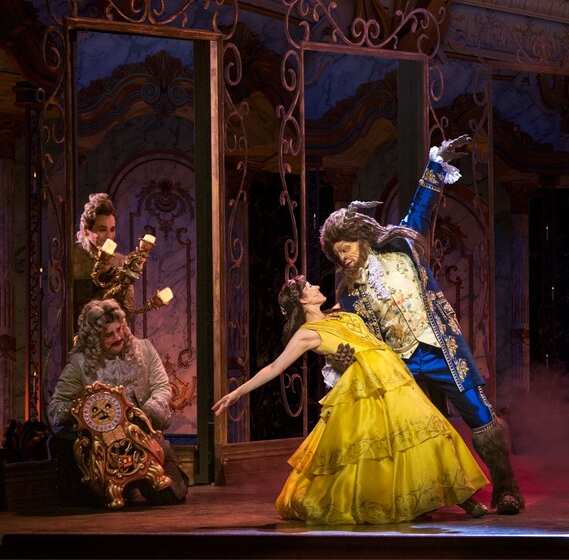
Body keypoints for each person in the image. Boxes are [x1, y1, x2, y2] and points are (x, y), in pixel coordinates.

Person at [319, 135, 525, 515]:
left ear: (360, 239)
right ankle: (423, 497)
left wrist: (437, 163)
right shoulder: (349, 295)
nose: (342, 258)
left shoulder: (402, 246)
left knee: (481, 416)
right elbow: (355, 336)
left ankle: (506, 488)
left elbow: (422, 207)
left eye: (344, 248)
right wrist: (341, 357)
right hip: (402, 365)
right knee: (417, 431)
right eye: (336, 255)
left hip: (440, 349)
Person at [212, 275, 489, 525]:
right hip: (364, 390)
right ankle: (418, 501)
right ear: (303, 299)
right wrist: (237, 392)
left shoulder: (340, 315)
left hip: (394, 380)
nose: (317, 286)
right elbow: (275, 367)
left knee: (429, 433)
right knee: (381, 453)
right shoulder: (307, 334)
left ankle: (460, 495)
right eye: (310, 286)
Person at [47, 298, 188, 507]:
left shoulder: (145, 350)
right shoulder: (80, 363)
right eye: (109, 335)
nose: (118, 337)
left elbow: (161, 387)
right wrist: (87, 412)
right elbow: (57, 407)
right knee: (96, 500)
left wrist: (145, 414)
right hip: (102, 446)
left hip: (142, 438)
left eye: (119, 329)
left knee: (171, 495)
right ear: (95, 339)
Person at [72, 193, 123, 323]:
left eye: (112, 229)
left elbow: (126, 312)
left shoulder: (120, 262)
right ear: (86, 231)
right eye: (102, 229)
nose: (109, 236)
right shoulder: (71, 256)